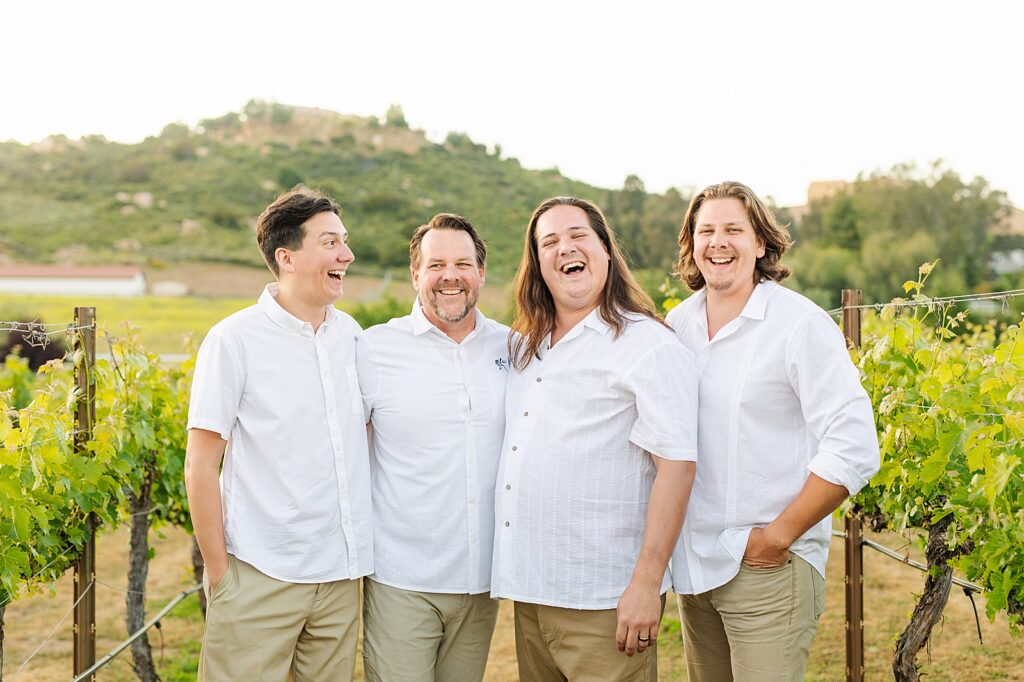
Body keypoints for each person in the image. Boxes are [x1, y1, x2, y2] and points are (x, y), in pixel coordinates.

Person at [667, 181, 880, 681]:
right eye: (706, 231)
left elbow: (854, 444)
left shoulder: (798, 324)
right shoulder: (677, 327)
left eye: (733, 230)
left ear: (760, 243)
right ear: (692, 245)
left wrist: (777, 537)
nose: (718, 242)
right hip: (696, 568)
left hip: (768, 570)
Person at [491, 196, 699, 681]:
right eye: (550, 242)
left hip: (603, 600)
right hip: (532, 595)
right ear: (538, 264)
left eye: (577, 236)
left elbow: (678, 465)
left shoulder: (647, 344)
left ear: (606, 250)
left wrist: (647, 584)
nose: (565, 248)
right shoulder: (527, 347)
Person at [184, 187, 371, 680]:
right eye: (331, 243)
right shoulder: (233, 340)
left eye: (344, 242)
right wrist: (220, 574)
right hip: (259, 574)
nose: (346, 255)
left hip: (338, 577)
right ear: (286, 257)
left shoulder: (352, 336)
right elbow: (201, 463)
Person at [357, 213, 509, 681]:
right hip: (402, 580)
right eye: (436, 264)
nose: (450, 276)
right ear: (416, 275)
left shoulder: (516, 349)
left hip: (482, 582)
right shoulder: (374, 350)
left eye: (463, 263)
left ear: (481, 273)